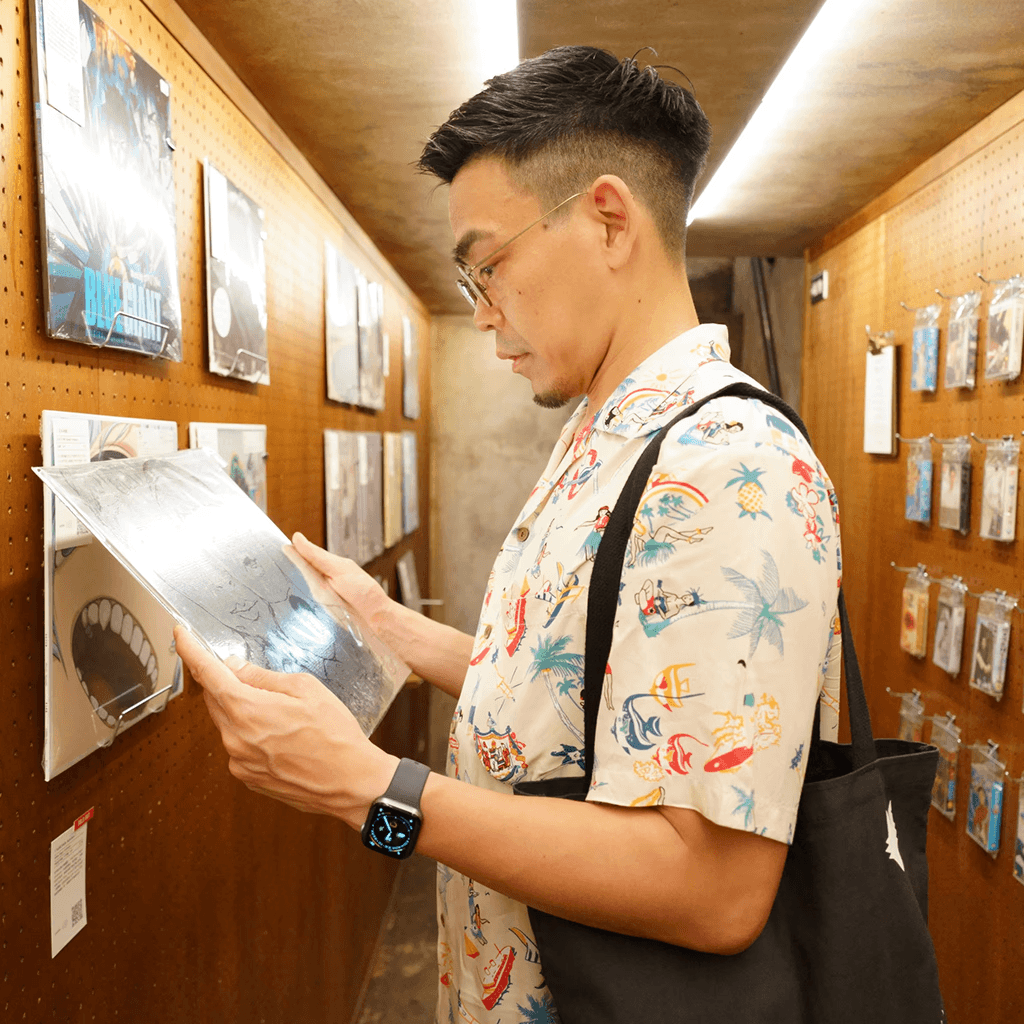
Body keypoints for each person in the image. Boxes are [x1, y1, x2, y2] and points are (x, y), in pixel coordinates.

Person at [175, 45, 842, 1024]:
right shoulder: (605, 435)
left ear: (609, 221)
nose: (482, 315)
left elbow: (712, 887)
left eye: (489, 266)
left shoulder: (722, 465)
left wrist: (373, 789)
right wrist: (391, 629)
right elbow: (580, 696)